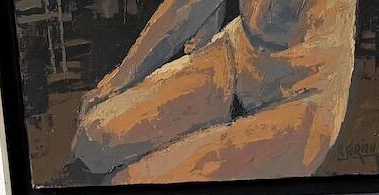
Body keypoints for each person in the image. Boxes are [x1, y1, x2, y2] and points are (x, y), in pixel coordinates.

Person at [72, 0, 357, 184]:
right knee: (93, 137)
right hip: (239, 55)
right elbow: (187, 4)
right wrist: (120, 79)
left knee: (129, 183)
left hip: (304, 96)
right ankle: (213, 124)